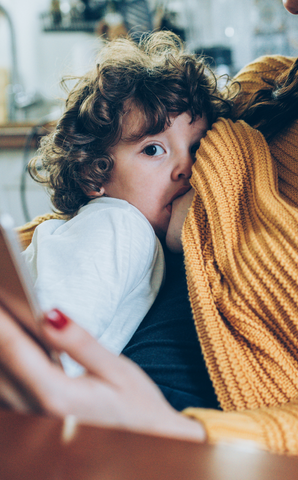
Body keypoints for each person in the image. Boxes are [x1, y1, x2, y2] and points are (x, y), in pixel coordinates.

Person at [1, 0, 298, 474]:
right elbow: (106, 224)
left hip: (190, 450)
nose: (293, 4)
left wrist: (180, 434)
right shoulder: (268, 90)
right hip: (75, 412)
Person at [20, 31, 234, 377]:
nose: (187, 169)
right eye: (153, 150)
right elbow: (43, 354)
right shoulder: (119, 226)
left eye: (197, 148)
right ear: (95, 174)